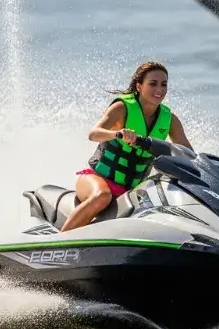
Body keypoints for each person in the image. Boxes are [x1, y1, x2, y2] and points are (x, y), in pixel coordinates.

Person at [60, 61, 193, 231]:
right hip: (98, 179)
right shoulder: (122, 107)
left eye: (164, 84)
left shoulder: (170, 120)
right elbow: (93, 133)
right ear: (139, 86)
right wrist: (118, 133)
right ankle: (58, 242)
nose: (159, 89)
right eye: (152, 83)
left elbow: (188, 154)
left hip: (131, 190)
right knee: (102, 196)